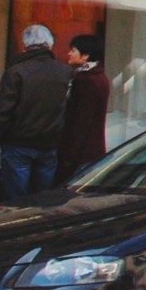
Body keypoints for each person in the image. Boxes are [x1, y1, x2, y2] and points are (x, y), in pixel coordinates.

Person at [0, 24, 71, 199]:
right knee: (44, 198)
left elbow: (1, 110)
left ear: (25, 45)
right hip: (49, 144)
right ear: (50, 44)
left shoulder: (16, 72)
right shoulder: (65, 72)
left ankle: (20, 226)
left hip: (18, 144)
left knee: (18, 200)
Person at [54, 34, 110, 185]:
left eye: (73, 50)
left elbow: (81, 121)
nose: (69, 53)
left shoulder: (85, 81)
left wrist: (68, 156)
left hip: (80, 154)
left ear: (86, 56)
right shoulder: (99, 77)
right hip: (91, 151)